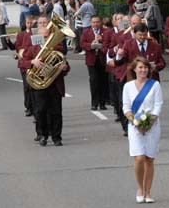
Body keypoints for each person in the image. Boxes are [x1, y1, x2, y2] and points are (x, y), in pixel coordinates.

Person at [23, 15, 69, 146]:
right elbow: (22, 62)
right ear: (38, 36)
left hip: (54, 84)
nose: (45, 39)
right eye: (43, 36)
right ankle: (43, 135)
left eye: (47, 36)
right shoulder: (33, 49)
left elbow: (66, 65)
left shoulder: (57, 49)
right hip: (38, 86)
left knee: (56, 112)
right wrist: (32, 62)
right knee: (40, 111)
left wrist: (64, 68)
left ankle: (57, 137)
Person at [122, 56, 163, 203]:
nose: (143, 70)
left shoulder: (155, 85)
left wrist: (150, 122)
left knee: (149, 159)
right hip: (135, 127)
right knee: (139, 158)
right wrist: (135, 122)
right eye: (140, 67)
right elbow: (126, 107)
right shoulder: (128, 86)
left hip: (152, 126)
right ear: (134, 69)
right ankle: (140, 188)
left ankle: (148, 192)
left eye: (145, 67)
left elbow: (158, 105)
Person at [80, 15, 110, 110]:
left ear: (100, 22)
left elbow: (109, 43)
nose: (95, 24)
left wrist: (102, 40)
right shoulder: (86, 32)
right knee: (94, 81)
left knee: (103, 81)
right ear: (90, 23)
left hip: (102, 59)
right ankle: (94, 103)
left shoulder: (105, 31)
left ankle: (102, 103)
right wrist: (90, 45)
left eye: (97, 22)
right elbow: (82, 44)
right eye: (93, 22)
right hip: (91, 60)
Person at [14, 14, 37, 116]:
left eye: (31, 23)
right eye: (28, 23)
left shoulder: (36, 33)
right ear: (25, 23)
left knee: (35, 86)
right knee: (27, 86)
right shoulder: (21, 34)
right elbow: (17, 48)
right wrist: (9, 42)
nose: (29, 24)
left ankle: (35, 107)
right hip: (24, 63)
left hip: (35, 61)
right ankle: (28, 107)